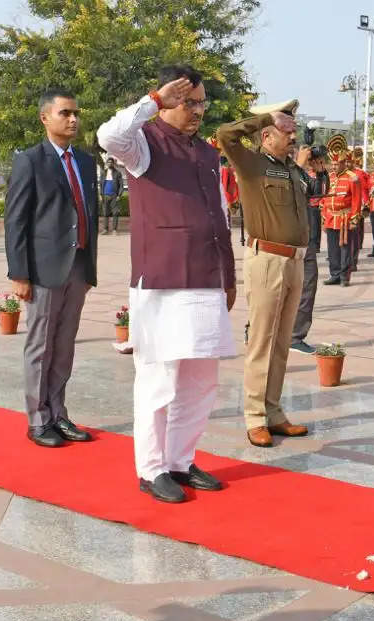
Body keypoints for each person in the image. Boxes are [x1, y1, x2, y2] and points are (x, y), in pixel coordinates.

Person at [97, 65, 236, 503]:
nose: (196, 111)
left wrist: (228, 274)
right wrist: (154, 101)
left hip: (205, 278)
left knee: (201, 380)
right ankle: (152, 468)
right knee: (159, 380)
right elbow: (107, 135)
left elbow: (221, 214)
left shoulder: (207, 153)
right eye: (186, 101)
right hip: (161, 281)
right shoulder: (143, 144)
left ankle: (181, 460)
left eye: (200, 103)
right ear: (164, 99)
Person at [4, 88, 98, 448]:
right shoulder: (30, 160)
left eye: (76, 113)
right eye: (65, 113)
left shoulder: (86, 162)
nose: (73, 119)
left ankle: (59, 413)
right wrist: (19, 274)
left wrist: (88, 269)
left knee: (64, 345)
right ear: (45, 118)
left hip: (77, 267)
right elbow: (17, 221)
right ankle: (38, 419)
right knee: (40, 345)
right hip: (42, 270)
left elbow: (88, 214)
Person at [216, 100, 311, 448]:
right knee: (261, 341)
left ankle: (273, 411)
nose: (293, 136)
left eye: (293, 130)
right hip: (267, 260)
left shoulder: (291, 170)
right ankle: (255, 416)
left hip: (294, 262)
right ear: (267, 135)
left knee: (282, 341)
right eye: (286, 130)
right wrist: (264, 117)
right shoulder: (252, 163)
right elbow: (224, 135)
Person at [292, 145, 330, 354]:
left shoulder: (298, 171)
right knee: (273, 291)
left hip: (304, 240)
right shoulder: (272, 166)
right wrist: (298, 165)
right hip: (280, 240)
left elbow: (319, 192)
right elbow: (288, 188)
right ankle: (254, 330)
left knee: (307, 287)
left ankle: (295, 336)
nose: (291, 141)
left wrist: (321, 171)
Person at [320, 135, 362, 287]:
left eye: (336, 164)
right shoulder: (329, 177)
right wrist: (324, 217)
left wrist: (354, 218)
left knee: (345, 249)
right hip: (331, 218)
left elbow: (357, 200)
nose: (333, 167)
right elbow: (324, 199)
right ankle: (335, 274)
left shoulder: (353, 178)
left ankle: (345, 276)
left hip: (345, 218)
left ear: (344, 163)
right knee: (332, 250)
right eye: (332, 164)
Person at [100, 157, 124, 234]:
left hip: (114, 196)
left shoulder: (117, 173)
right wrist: (101, 194)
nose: (110, 163)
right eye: (108, 162)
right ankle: (105, 229)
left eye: (111, 162)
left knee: (115, 213)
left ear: (113, 163)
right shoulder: (103, 172)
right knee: (105, 213)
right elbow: (101, 184)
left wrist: (119, 195)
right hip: (105, 196)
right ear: (107, 163)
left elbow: (121, 185)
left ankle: (114, 230)